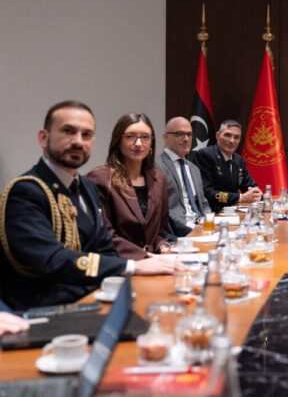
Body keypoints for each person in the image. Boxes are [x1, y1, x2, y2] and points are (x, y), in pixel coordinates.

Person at [0, 101, 174, 310]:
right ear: (43, 138)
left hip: (90, 297)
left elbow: (105, 249)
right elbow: (52, 260)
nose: (78, 141)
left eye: (86, 134)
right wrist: (132, 266)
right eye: (68, 131)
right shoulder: (26, 191)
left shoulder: (86, 187)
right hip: (43, 309)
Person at [88, 113, 172, 260]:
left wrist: (162, 246)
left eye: (145, 137)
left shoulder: (159, 179)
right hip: (119, 263)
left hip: (155, 260)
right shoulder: (100, 178)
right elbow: (105, 234)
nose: (138, 143)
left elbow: (160, 231)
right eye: (130, 136)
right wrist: (145, 256)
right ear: (118, 141)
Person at [156, 117, 212, 236]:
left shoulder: (194, 168)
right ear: (165, 137)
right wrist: (193, 228)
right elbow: (162, 210)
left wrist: (210, 222)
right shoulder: (156, 166)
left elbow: (203, 203)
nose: (186, 139)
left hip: (202, 226)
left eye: (189, 134)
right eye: (180, 134)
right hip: (179, 231)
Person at [192, 120, 261, 211]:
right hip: (212, 212)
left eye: (236, 137)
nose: (232, 141)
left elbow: (250, 185)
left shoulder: (239, 160)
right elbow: (207, 193)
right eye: (227, 135)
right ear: (218, 135)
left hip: (233, 211)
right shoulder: (205, 155)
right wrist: (240, 197)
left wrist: (256, 193)